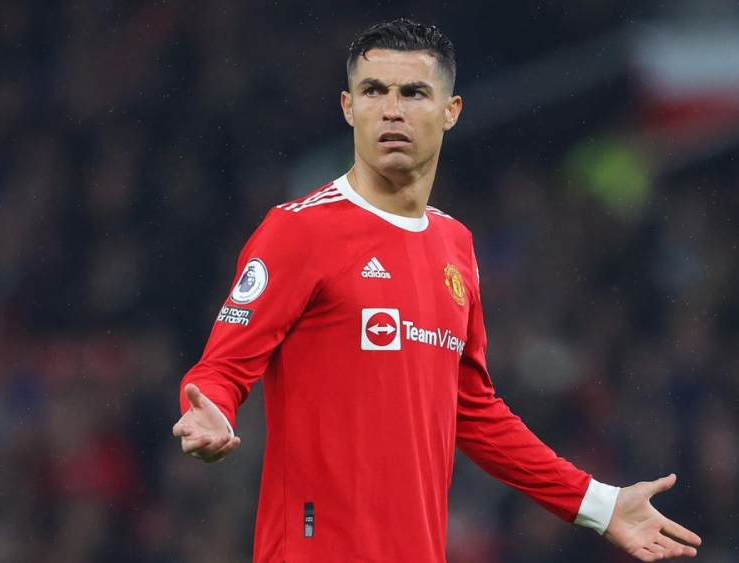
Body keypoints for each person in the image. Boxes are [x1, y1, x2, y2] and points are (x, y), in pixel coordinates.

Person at [172, 18, 701, 563]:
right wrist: (211, 410)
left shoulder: (456, 246)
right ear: (349, 107)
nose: (391, 110)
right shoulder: (300, 231)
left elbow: (473, 410)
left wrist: (598, 503)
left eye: (413, 93)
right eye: (373, 91)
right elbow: (222, 369)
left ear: (451, 111)